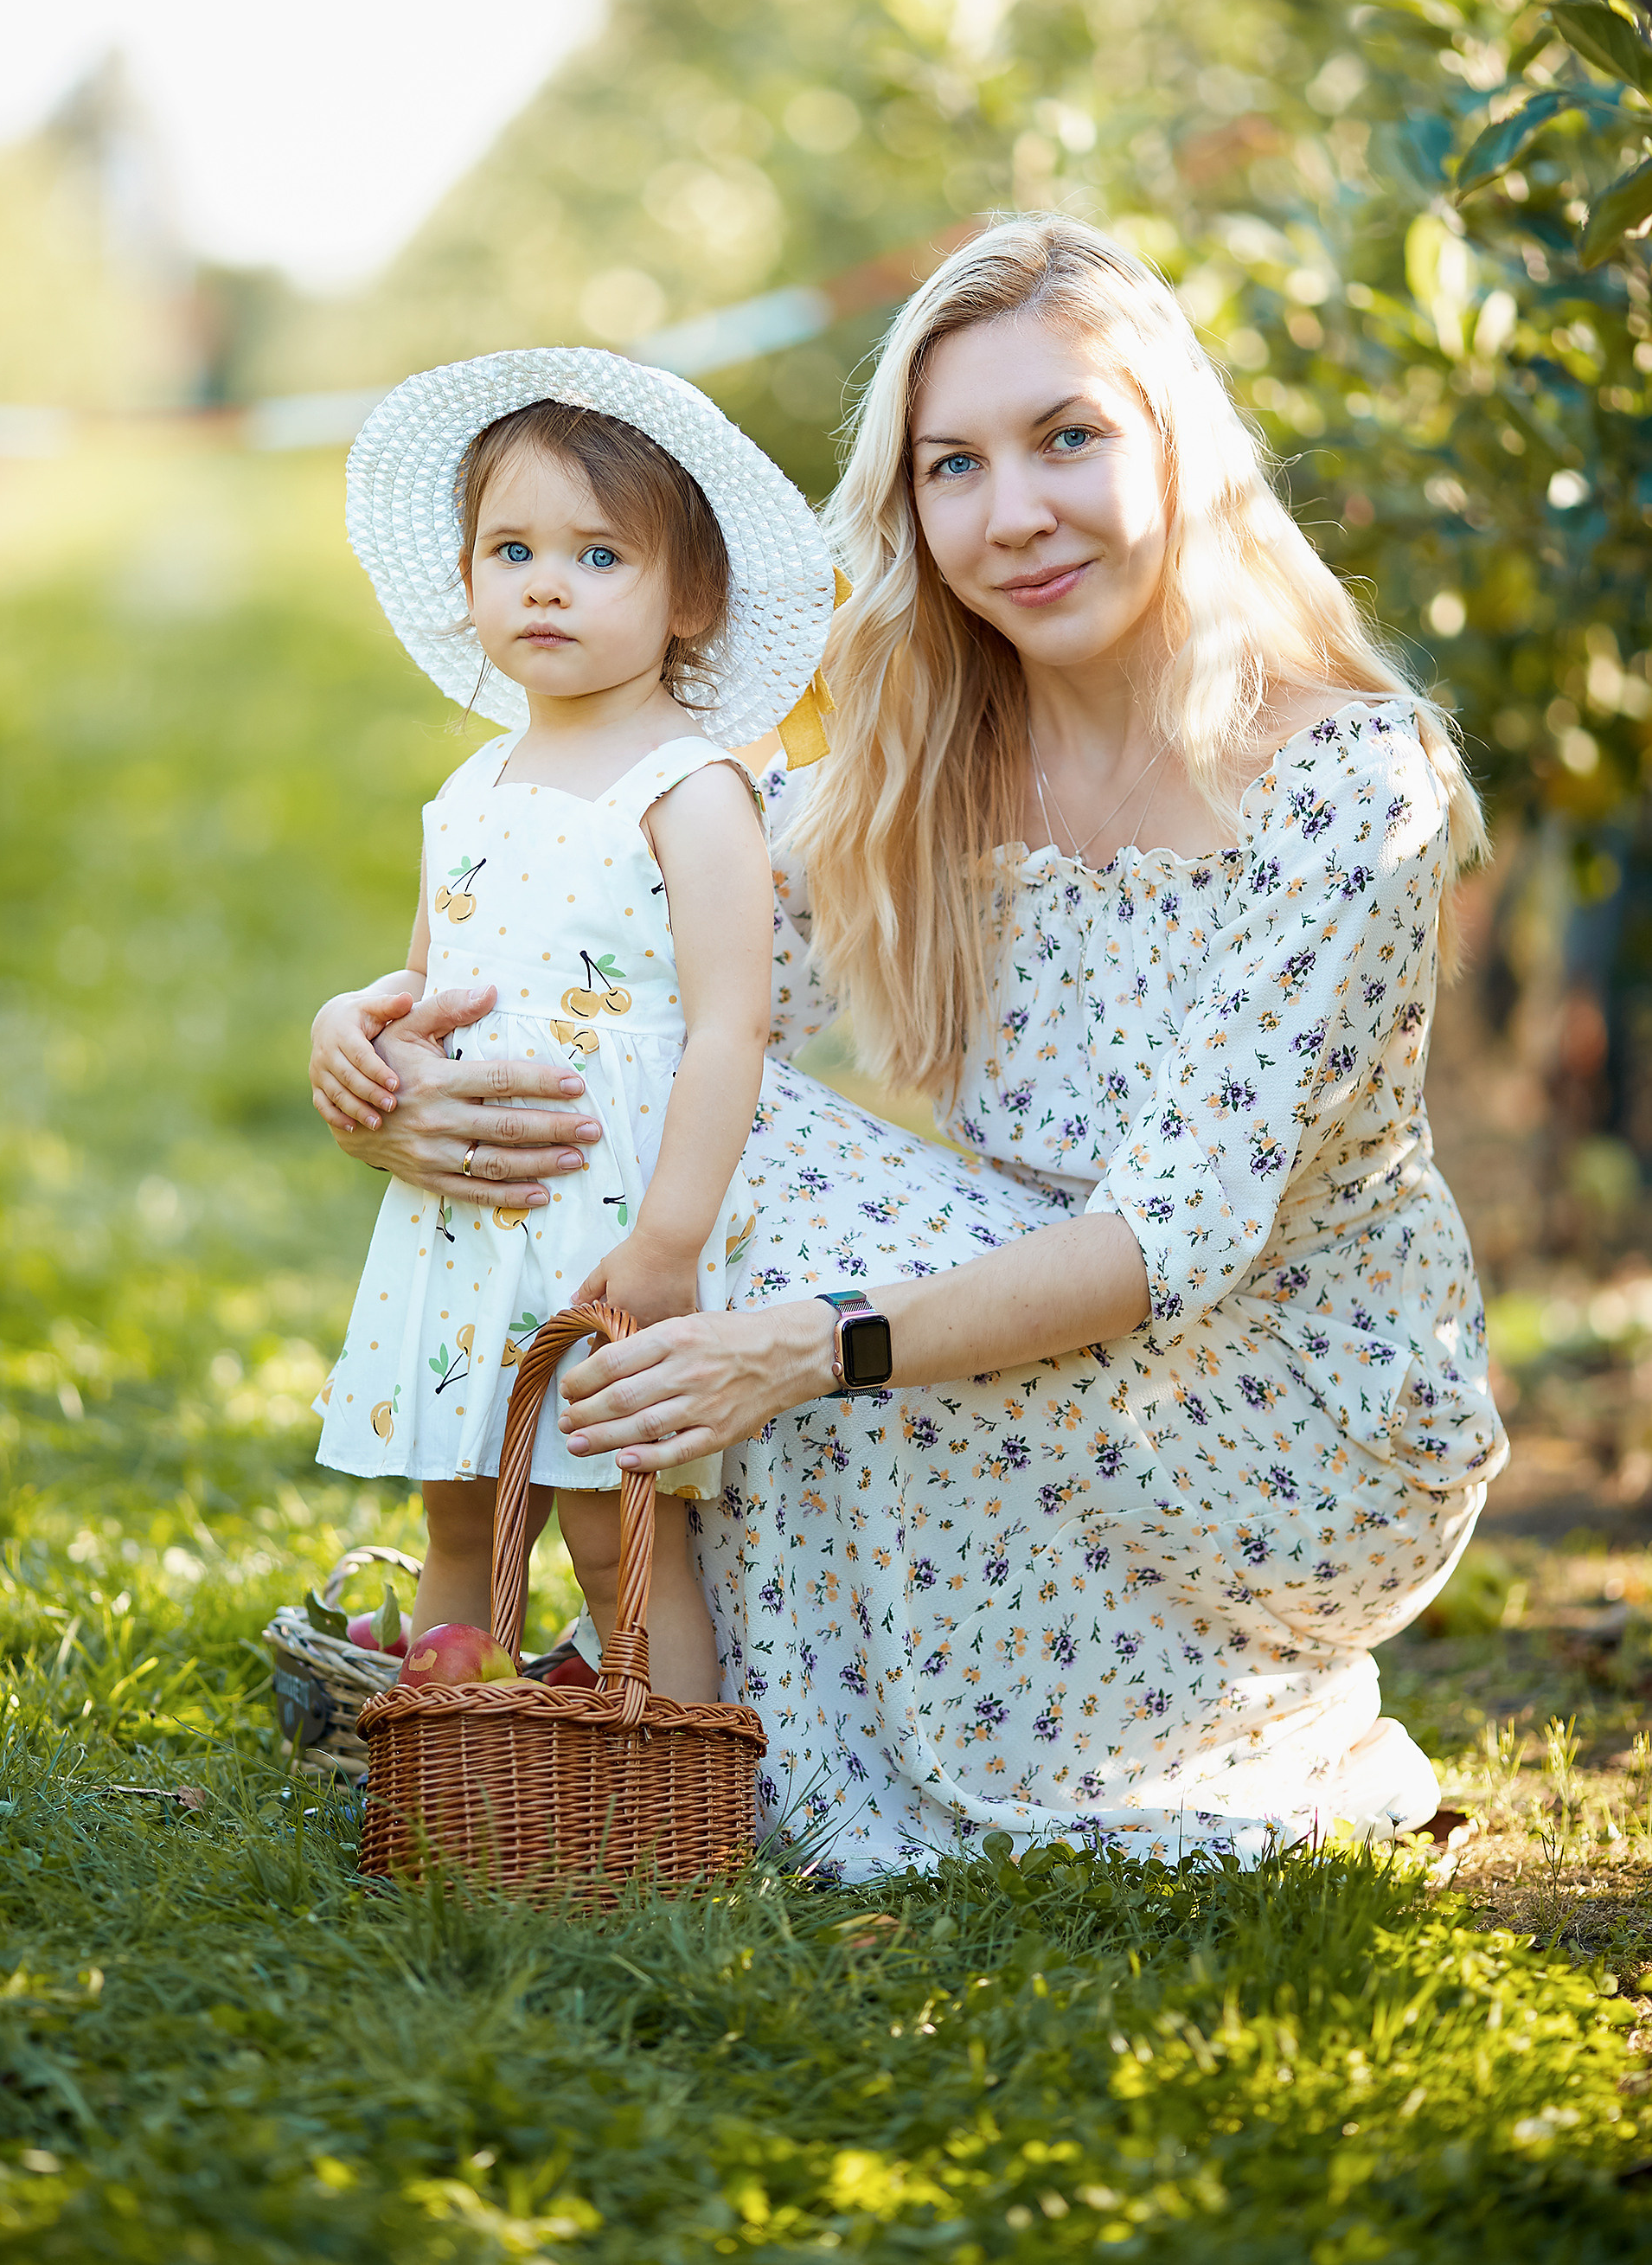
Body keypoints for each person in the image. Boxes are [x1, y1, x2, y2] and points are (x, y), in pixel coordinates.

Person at [322, 221, 1508, 1870]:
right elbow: (620, 982)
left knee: (764, 1205)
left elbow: (1178, 1237)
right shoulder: (933, 757)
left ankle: (773, 1714)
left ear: (1179, 444)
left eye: (1068, 437)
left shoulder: (1340, 782)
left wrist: (813, 1342)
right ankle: (646, 1699)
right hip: (1037, 1301)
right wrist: (387, 1064)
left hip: (1287, 1412)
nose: (1012, 509)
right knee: (692, 1138)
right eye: (956, 464)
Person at [307, 349, 837, 1705]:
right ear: (470, 575)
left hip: (613, 1213)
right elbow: (429, 992)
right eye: (514, 548)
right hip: (474, 1222)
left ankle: (665, 1772)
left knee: (620, 1526)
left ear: (690, 596)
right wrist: (370, 1044)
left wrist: (668, 1240)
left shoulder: (691, 787)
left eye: (601, 555)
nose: (547, 581)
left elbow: (731, 1027)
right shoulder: (473, 782)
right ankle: (448, 1757)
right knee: (463, 1512)